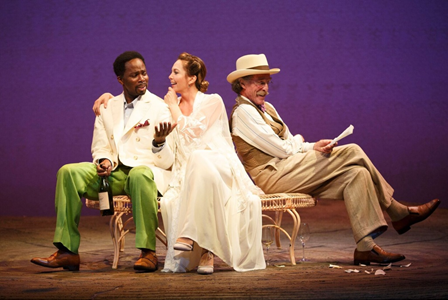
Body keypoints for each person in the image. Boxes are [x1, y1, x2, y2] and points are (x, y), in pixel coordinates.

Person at [227, 53, 440, 266]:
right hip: (272, 176)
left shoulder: (268, 108)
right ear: (242, 84)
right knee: (352, 151)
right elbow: (282, 149)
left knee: (357, 174)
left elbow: (290, 141)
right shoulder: (244, 112)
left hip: (289, 169)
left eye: (267, 82)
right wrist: (304, 144)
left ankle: (366, 248)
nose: (266, 88)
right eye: (260, 82)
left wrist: (310, 145)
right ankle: (398, 212)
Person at [93, 52, 265, 275]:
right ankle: (206, 253)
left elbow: (193, 132)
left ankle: (190, 235)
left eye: (176, 72)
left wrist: (174, 107)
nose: (169, 76)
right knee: (191, 177)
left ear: (191, 78)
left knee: (200, 157)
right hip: (189, 173)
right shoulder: (166, 106)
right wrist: (109, 96)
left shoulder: (212, 100)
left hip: (219, 167)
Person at [31, 51, 175, 272]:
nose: (142, 78)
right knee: (68, 171)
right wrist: (104, 161)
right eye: (135, 75)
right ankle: (67, 251)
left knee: (139, 174)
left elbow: (168, 161)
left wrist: (159, 141)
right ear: (121, 79)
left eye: (144, 73)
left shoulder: (158, 107)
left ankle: (148, 252)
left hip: (145, 174)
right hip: (115, 173)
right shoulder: (107, 107)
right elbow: (99, 146)